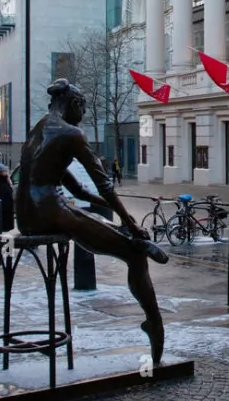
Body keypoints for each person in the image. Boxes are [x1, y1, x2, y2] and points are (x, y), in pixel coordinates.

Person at [17, 79, 169, 363]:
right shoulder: (71, 133)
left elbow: (78, 190)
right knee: (134, 255)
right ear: (74, 104)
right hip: (50, 212)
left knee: (114, 230)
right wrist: (131, 221)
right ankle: (154, 322)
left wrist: (123, 218)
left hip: (30, 214)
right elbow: (104, 185)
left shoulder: (39, 129)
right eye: (83, 109)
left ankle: (133, 238)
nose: (84, 115)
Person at [0, 162, 15, 232]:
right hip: (3, 205)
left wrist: (8, 178)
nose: (6, 172)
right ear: (0, 172)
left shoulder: (5, 179)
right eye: (4, 171)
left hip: (7, 203)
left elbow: (10, 186)